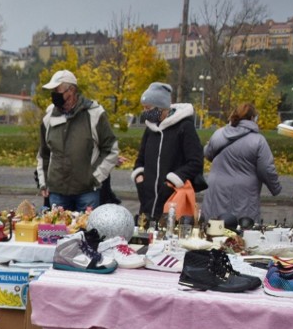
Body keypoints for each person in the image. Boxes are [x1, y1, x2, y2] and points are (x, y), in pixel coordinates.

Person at [35, 70, 119, 212]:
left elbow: (111, 150)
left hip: (87, 192)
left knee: (86, 232)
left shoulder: (95, 114)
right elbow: (44, 155)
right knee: (56, 233)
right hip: (57, 192)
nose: (54, 95)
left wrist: (94, 177)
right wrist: (44, 183)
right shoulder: (49, 118)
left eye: (57, 90)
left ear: (72, 90)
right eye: (53, 91)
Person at [132, 82, 204, 220]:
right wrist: (139, 178)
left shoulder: (184, 127)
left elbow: (195, 161)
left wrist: (172, 181)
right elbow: (140, 158)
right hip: (147, 201)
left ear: (161, 107)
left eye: (148, 108)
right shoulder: (150, 130)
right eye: (144, 108)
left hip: (172, 198)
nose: (145, 112)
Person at [201, 104, 281, 222]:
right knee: (242, 230)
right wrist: (276, 188)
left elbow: (208, 154)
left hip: (216, 189)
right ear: (252, 118)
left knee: (213, 228)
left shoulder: (218, 134)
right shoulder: (258, 140)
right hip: (244, 194)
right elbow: (266, 169)